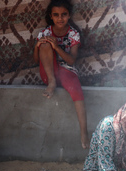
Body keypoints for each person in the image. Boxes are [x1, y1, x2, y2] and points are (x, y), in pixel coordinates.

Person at [33, 0, 89, 149]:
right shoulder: (45, 33)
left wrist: (56, 47)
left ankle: (84, 132)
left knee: (77, 90)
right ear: (51, 16)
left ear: (69, 15)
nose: (60, 18)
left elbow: (71, 61)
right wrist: (38, 46)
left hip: (66, 71)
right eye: (56, 15)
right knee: (44, 44)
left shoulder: (73, 34)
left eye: (64, 14)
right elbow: (35, 60)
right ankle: (52, 83)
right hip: (49, 72)